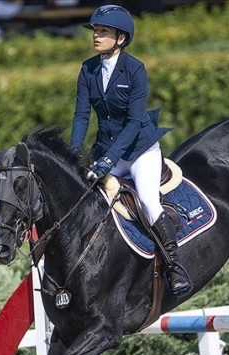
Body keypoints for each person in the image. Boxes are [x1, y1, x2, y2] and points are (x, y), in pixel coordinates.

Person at [69, 4, 192, 296]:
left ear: (120, 38)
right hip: (107, 150)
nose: (96, 36)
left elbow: (136, 121)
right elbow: (81, 116)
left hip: (140, 151)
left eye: (103, 31)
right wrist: (72, 154)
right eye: (96, 31)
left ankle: (174, 266)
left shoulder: (135, 68)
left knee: (149, 200)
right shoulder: (88, 69)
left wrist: (110, 158)